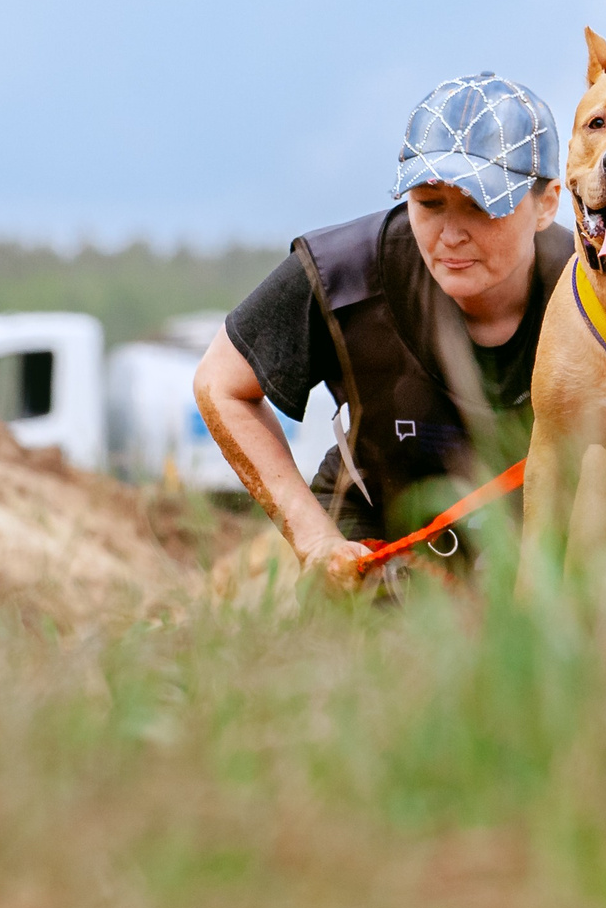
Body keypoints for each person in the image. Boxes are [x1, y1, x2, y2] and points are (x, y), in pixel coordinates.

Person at [194, 72, 573, 592]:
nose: (451, 234)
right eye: (429, 203)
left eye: (482, 204)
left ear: (547, 204)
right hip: (374, 547)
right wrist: (315, 542)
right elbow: (220, 382)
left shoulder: (598, 295)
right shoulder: (343, 272)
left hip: (541, 559)